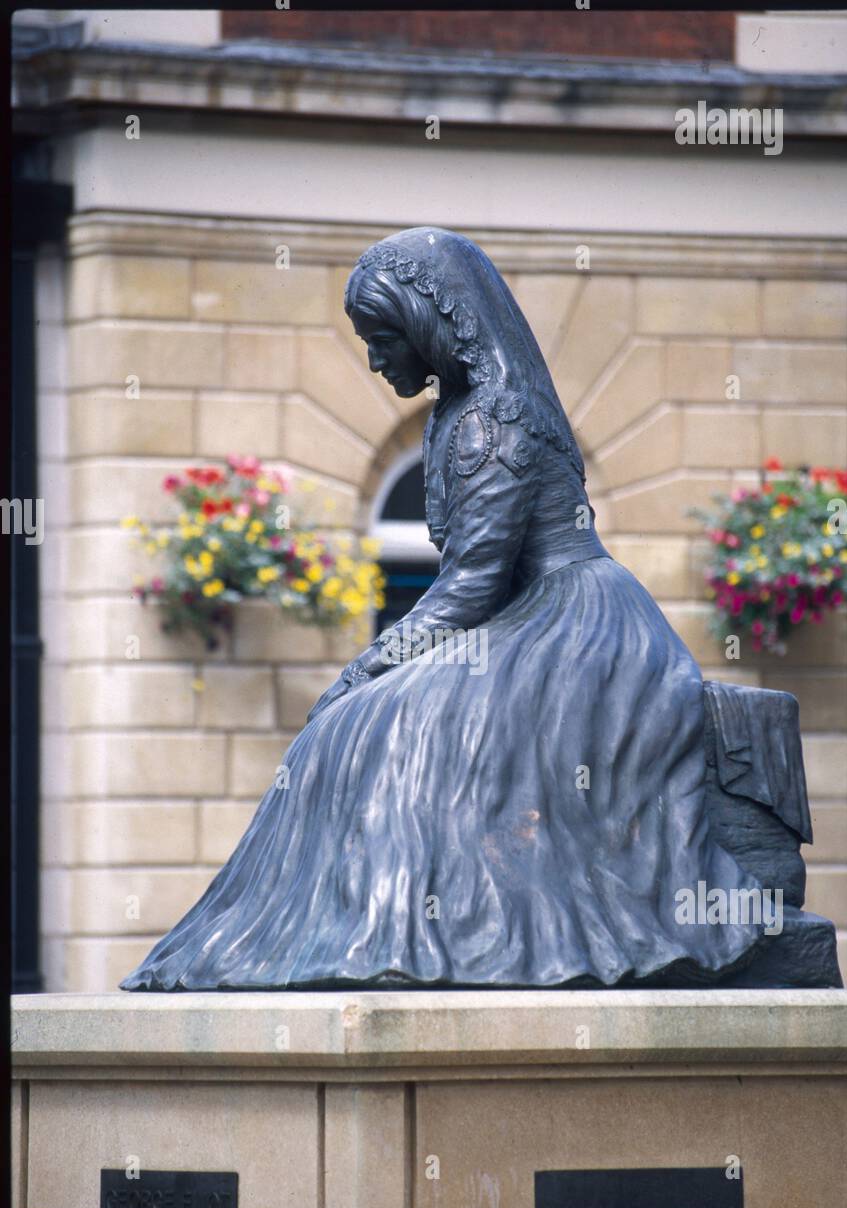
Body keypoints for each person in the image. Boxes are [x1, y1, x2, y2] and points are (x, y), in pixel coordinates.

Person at [120, 226, 765, 991]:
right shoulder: (457, 414)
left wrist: (367, 664)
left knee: (389, 724)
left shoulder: (495, 421)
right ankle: (334, 932)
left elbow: (472, 584)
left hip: (579, 626)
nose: (374, 358)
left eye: (382, 337)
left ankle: (410, 932)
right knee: (356, 725)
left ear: (425, 325)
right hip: (525, 618)